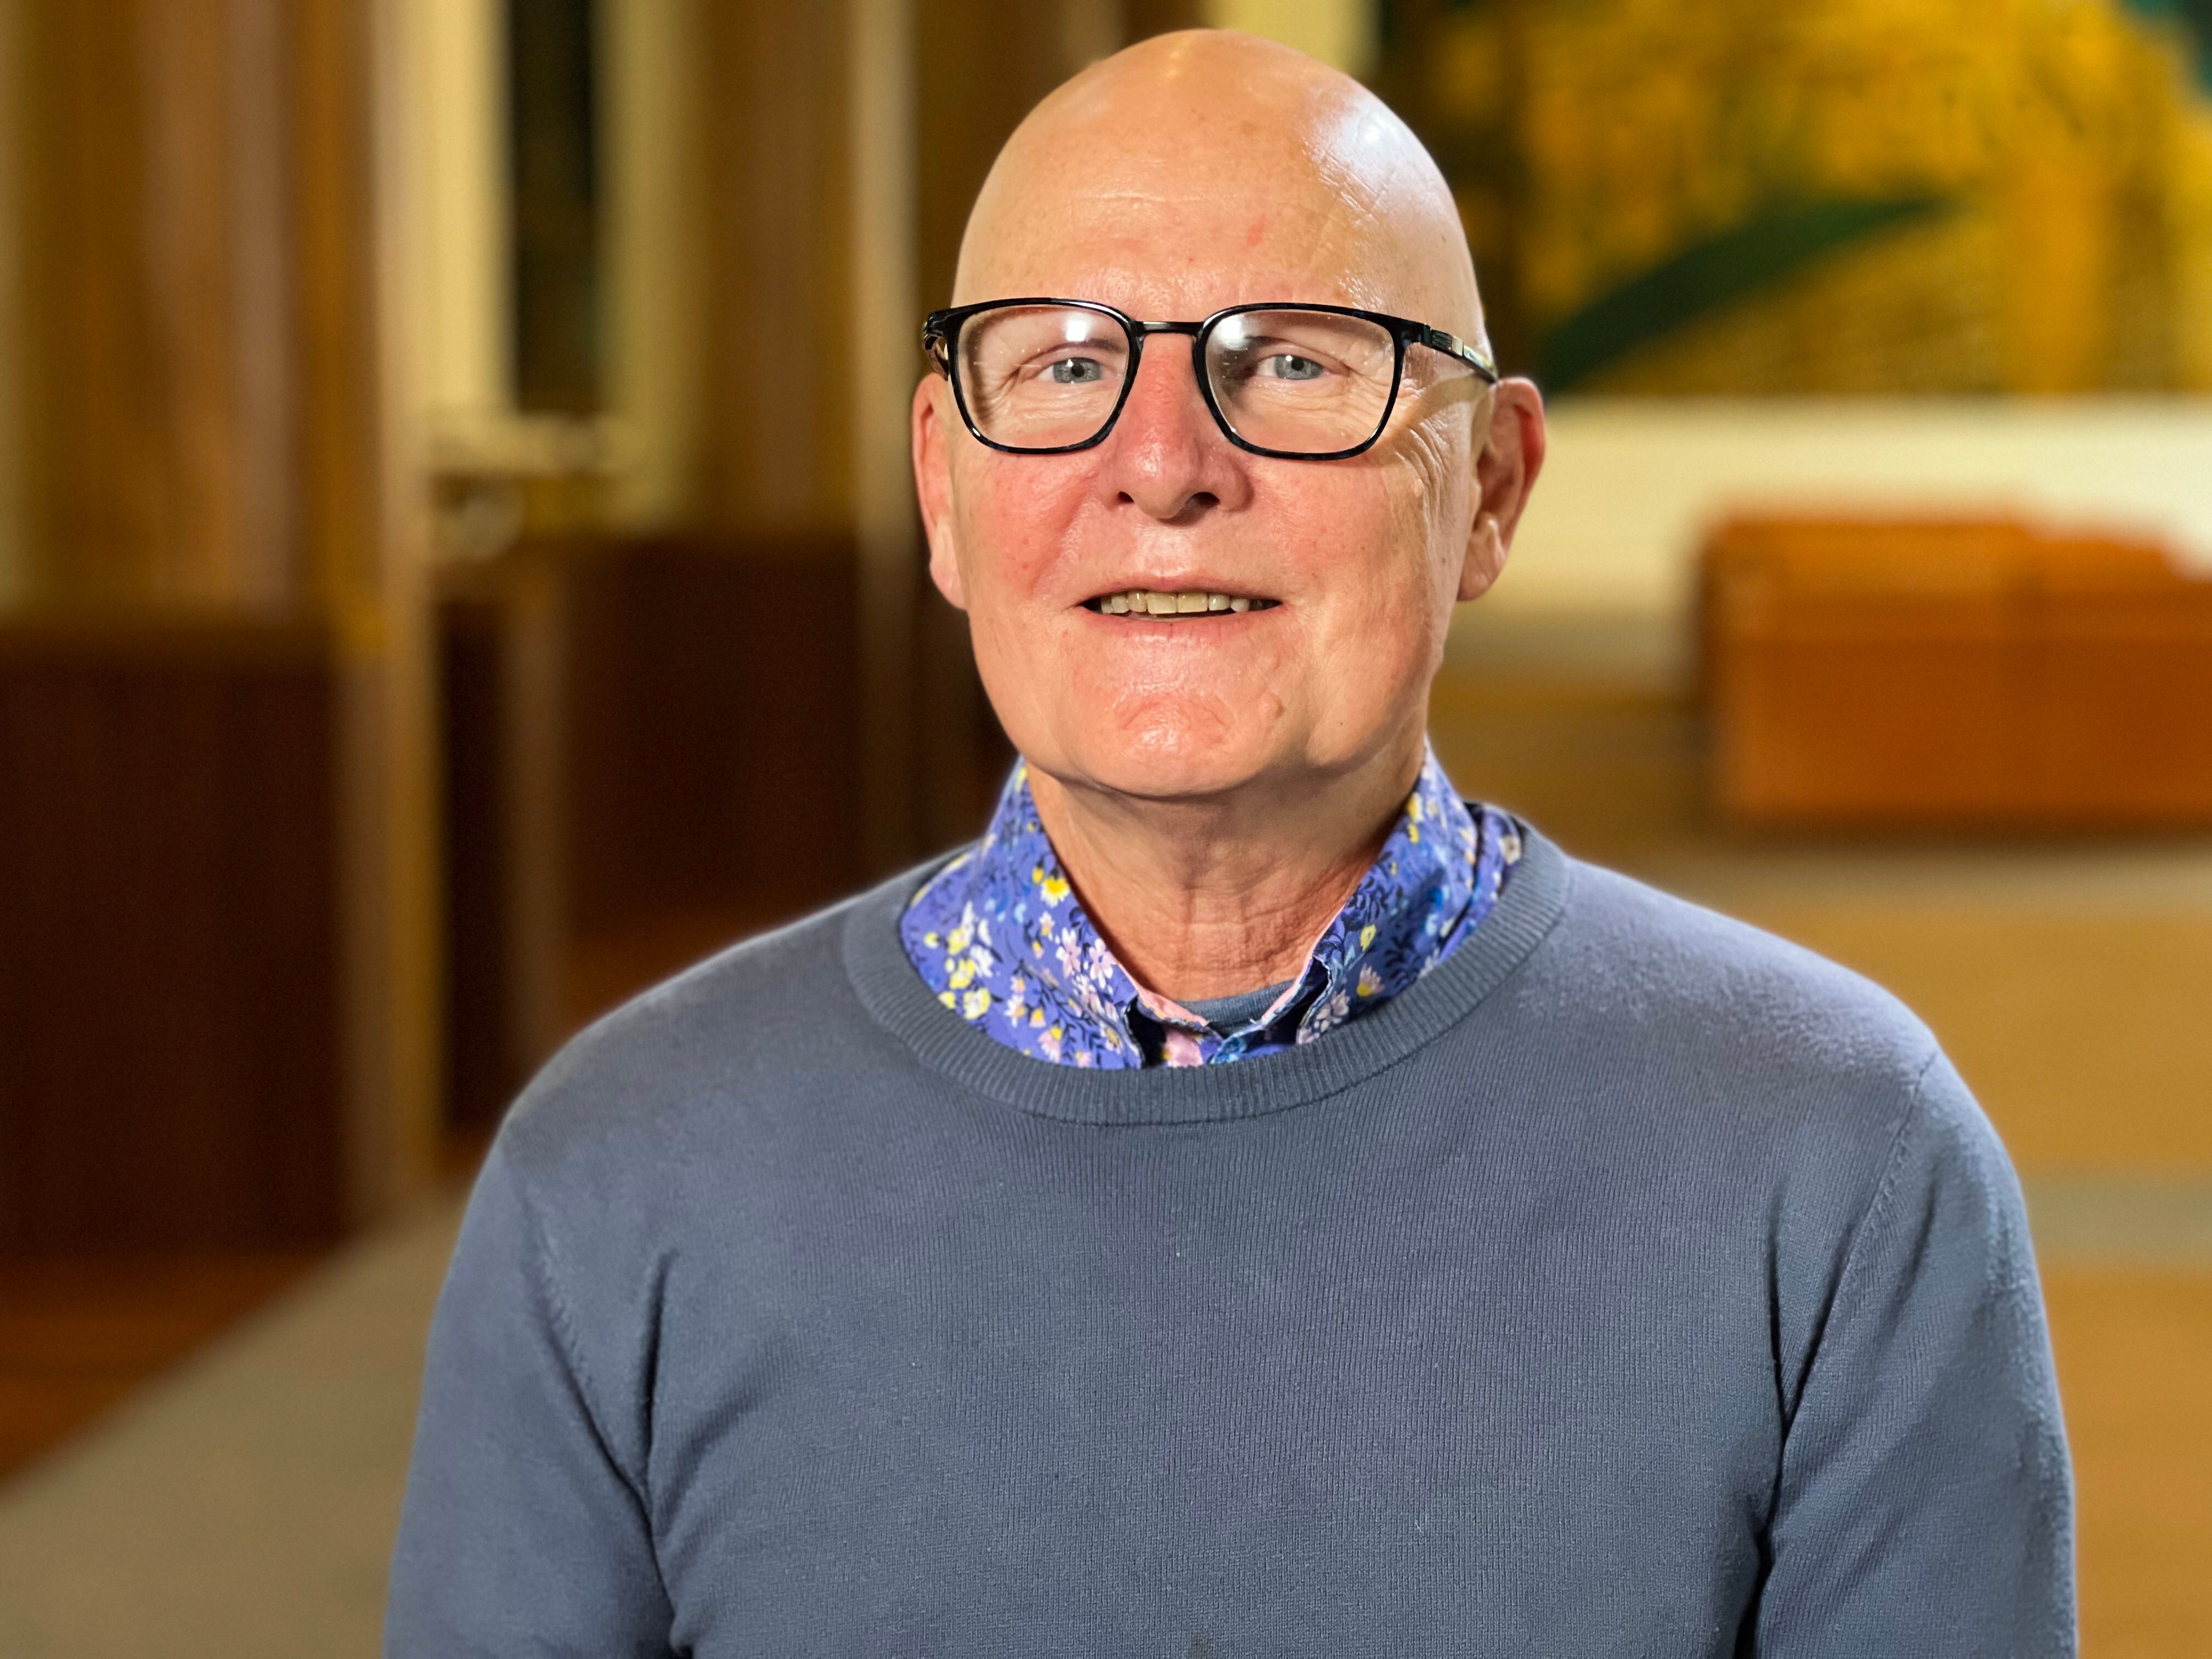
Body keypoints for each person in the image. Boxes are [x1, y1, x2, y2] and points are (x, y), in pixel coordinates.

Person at [386, 30, 2072, 1657]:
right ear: (942, 490)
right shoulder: (616, 1177)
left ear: (1489, 485)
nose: (1164, 464)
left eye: (1293, 361)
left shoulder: (1840, 1157)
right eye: (1059, 364)